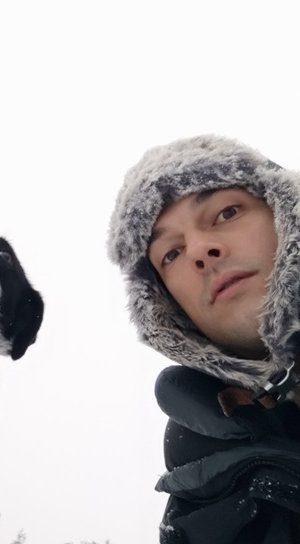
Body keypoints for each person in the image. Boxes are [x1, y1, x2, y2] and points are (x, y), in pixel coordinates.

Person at [107, 135, 300, 544]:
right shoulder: (203, 508)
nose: (199, 249)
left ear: (284, 211)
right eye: (170, 255)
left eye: (227, 212)